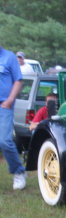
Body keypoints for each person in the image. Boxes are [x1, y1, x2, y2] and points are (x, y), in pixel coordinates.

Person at [0, 46, 27, 190]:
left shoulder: (9, 57)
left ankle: (19, 172)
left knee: (4, 141)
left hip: (4, 105)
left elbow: (18, 80)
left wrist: (10, 99)